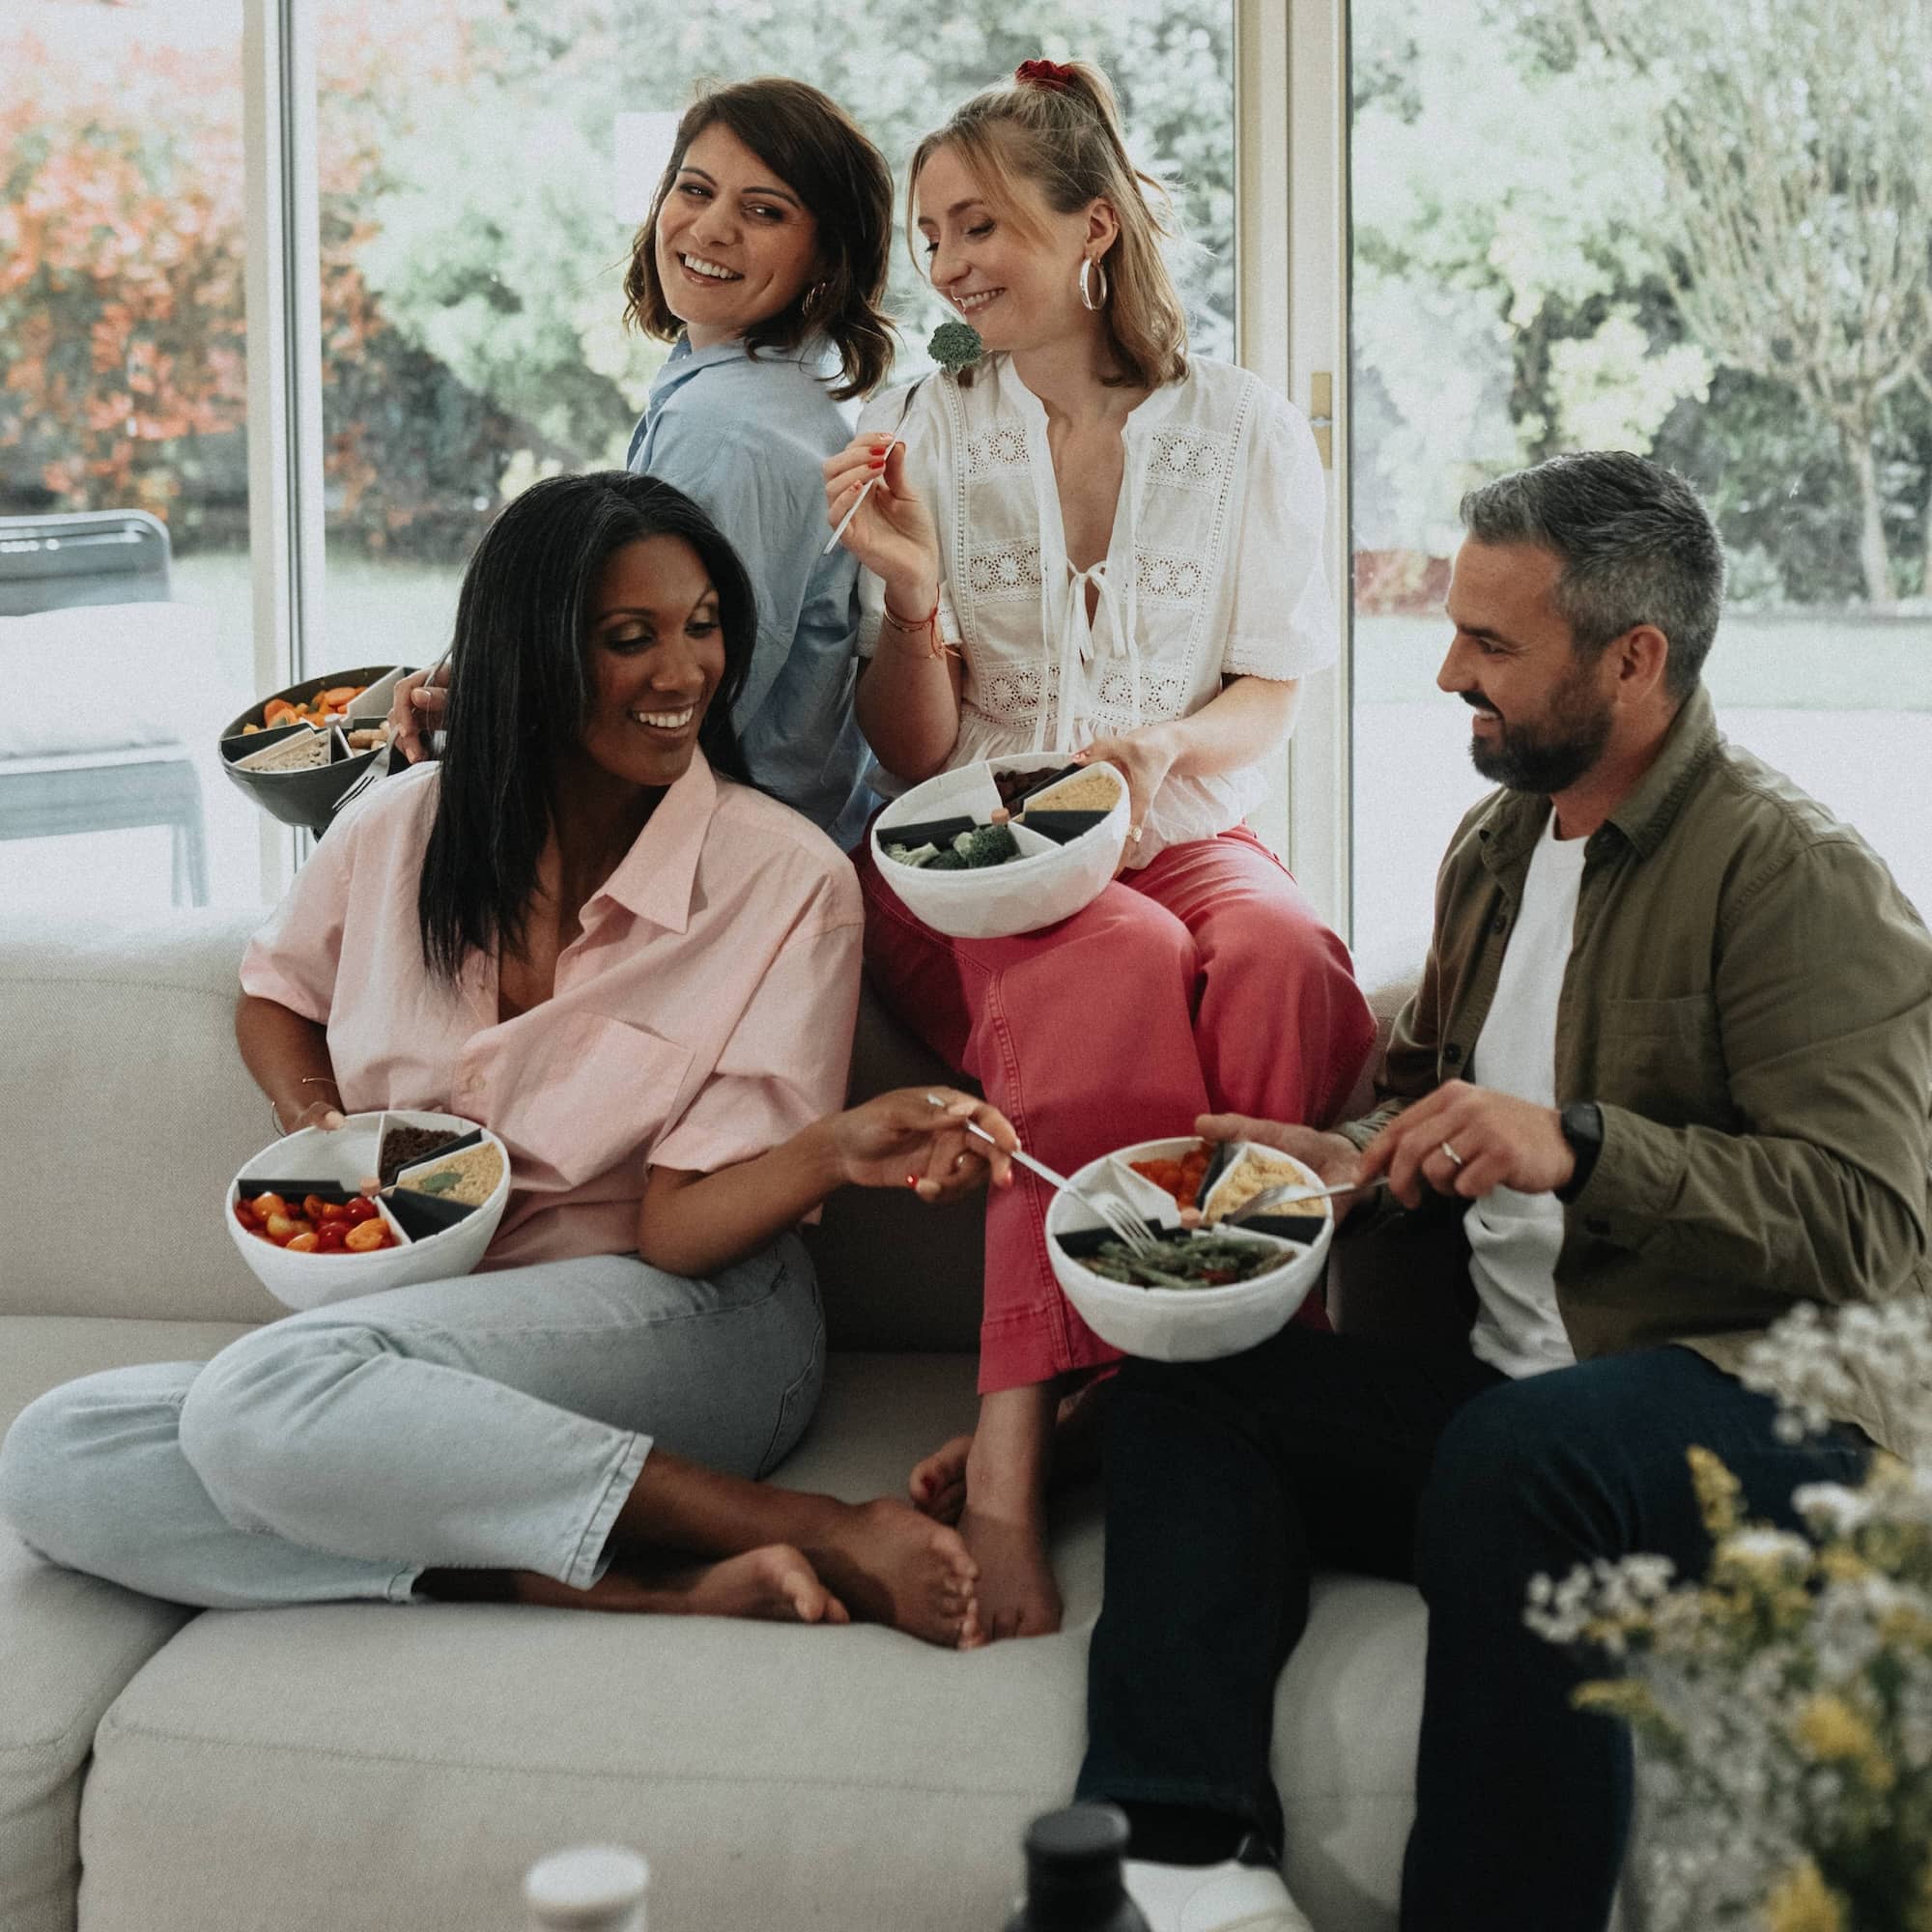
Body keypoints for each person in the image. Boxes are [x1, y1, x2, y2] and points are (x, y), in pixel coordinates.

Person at [1072, 451, 1932, 1932]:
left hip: (1774, 1421)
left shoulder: (1795, 881)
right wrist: (1350, 1164)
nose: (1448, 670)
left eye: (1493, 644)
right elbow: (1436, 1101)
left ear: (1635, 659)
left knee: (1521, 1459)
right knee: (1183, 1390)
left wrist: (1584, 1145)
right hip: (1521, 1411)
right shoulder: (1497, 845)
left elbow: (1876, 1225)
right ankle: (1193, 1875)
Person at [0, 471, 1021, 1649]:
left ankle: (804, 1522)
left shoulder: (785, 881)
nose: (683, 672)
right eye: (627, 638)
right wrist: (321, 1123)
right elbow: (275, 991)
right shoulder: (397, 824)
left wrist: (834, 1147)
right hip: (432, 1320)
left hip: (693, 1315)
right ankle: (594, 1576)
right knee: (57, 1452)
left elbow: (679, 1230)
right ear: (528, 654)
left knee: (264, 1395)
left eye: (701, 626)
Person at [823, 58, 1377, 1642]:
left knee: (1280, 953)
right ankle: (1015, 1451)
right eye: (929, 237)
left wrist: (1163, 749)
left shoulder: (1247, 426)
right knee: (1118, 958)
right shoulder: (931, 423)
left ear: (1094, 228)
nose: (948, 264)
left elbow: (1270, 691)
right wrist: (911, 593)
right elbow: (919, 755)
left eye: (981, 224)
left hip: (1183, 828)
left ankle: (1203, 1391)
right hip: (978, 871)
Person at [393, 77, 893, 851]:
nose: (712, 228)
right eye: (695, 189)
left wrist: (503, 715)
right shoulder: (766, 375)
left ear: (827, 255)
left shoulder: (730, 429)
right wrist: (490, 678)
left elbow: (686, 691)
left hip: (715, 849)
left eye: (765, 211)